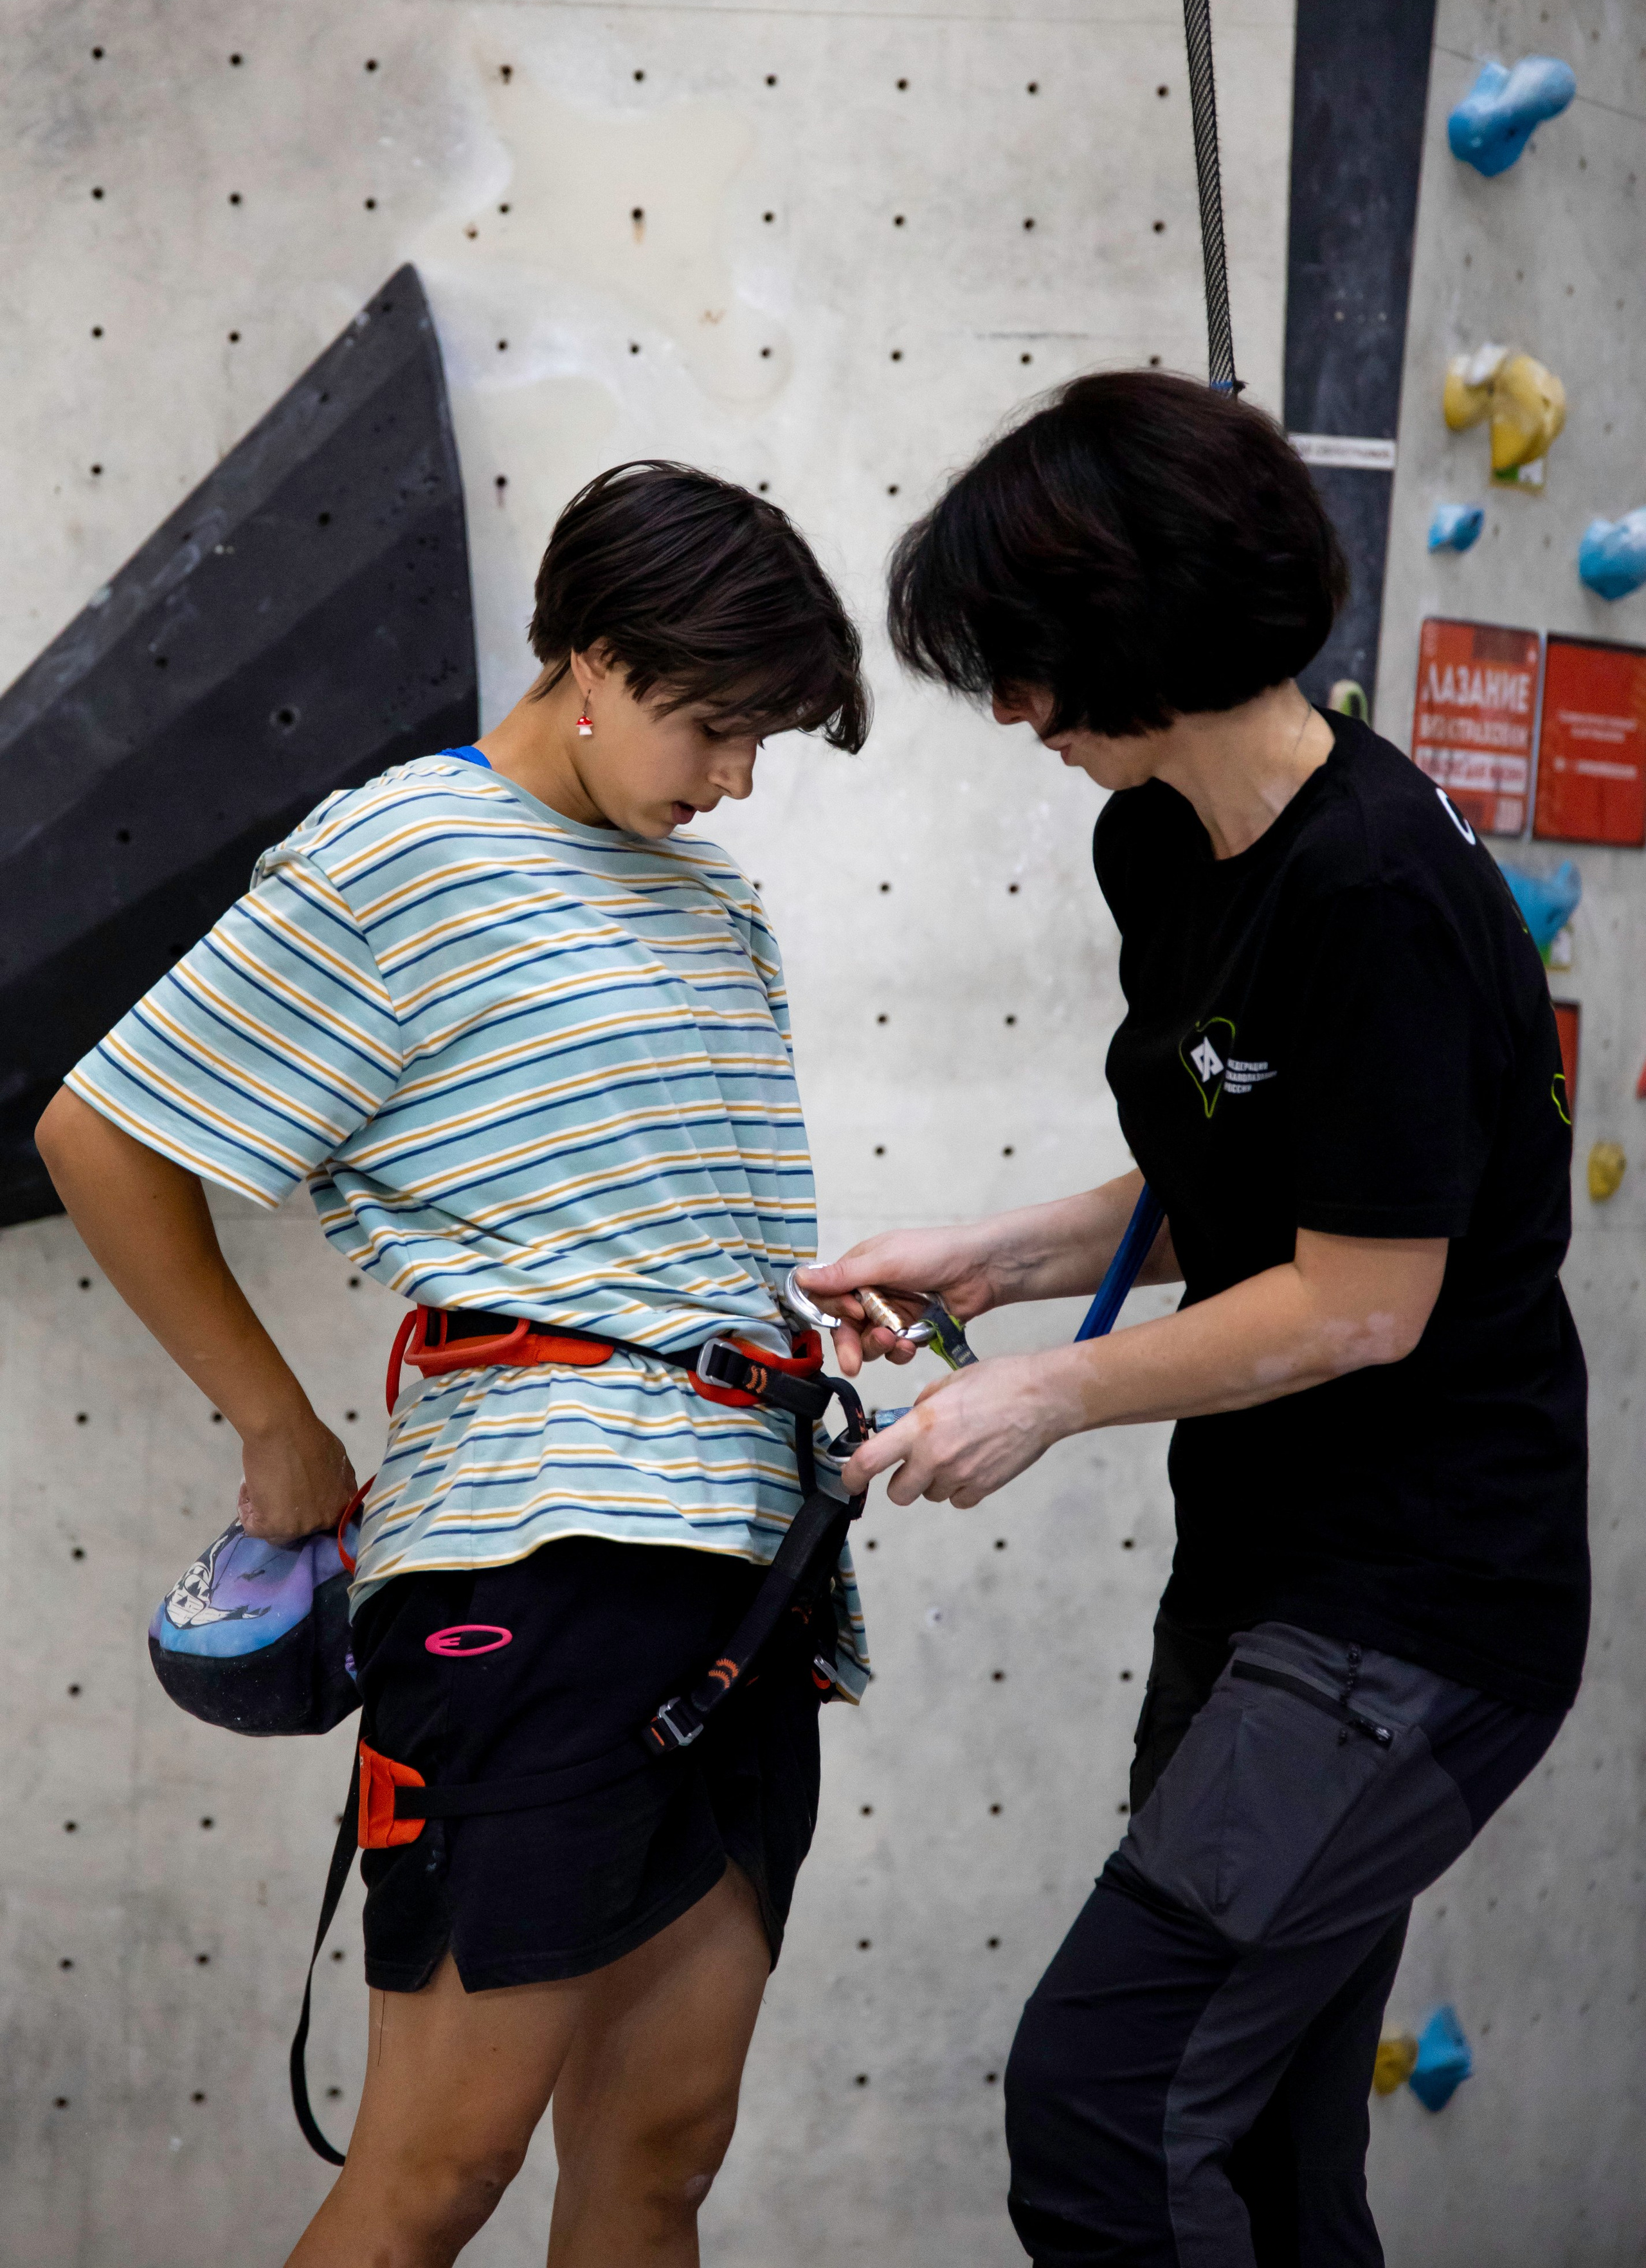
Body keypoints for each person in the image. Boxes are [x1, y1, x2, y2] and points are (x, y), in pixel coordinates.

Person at [36, 460, 871, 2268]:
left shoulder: (716, 902)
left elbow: (636, 1216)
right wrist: (277, 1423)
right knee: (439, 2172)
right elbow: (102, 1133)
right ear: (591, 655)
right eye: (718, 726)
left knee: (659, 2157)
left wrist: (799, 1322)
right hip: (533, 1566)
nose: (736, 780)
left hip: (751, 1565)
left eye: (763, 741)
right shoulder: (404, 846)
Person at [805, 372, 1587, 2268]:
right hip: (1261, 1581)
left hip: (1413, 1612)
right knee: (1255, 2159)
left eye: (1024, 665)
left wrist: (1045, 1397)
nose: (1009, 714)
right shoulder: (1160, 842)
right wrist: (992, 1261)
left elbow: (1364, 1301)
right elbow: (1241, 1164)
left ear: (1133, 638)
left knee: (1104, 2105)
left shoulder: (1380, 886)